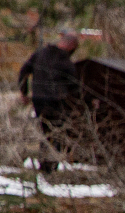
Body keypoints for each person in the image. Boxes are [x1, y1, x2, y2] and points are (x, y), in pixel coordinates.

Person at [16, 30, 82, 174]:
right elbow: (75, 86)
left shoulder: (40, 54)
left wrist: (24, 93)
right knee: (56, 134)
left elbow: (24, 71)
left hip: (38, 101)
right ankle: (49, 168)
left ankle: (45, 165)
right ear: (71, 47)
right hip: (56, 103)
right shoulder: (65, 61)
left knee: (46, 133)